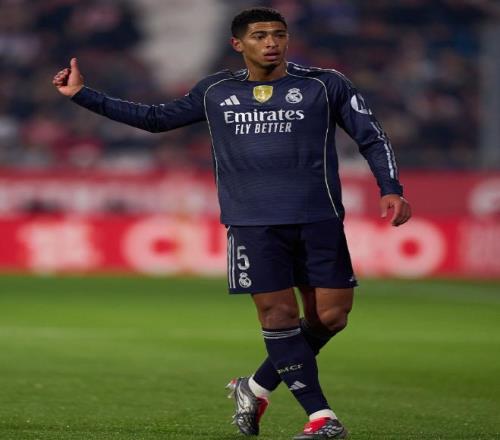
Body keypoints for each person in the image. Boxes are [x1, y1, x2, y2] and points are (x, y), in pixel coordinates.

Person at [53, 7, 411, 439]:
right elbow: (155, 119)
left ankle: (254, 387)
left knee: (331, 317)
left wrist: (390, 187)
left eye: (278, 34)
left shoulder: (325, 84)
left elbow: (371, 135)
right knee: (279, 314)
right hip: (252, 223)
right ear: (238, 44)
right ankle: (321, 416)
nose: (271, 42)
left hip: (319, 217)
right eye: (259, 35)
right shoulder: (216, 91)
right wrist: (82, 94)